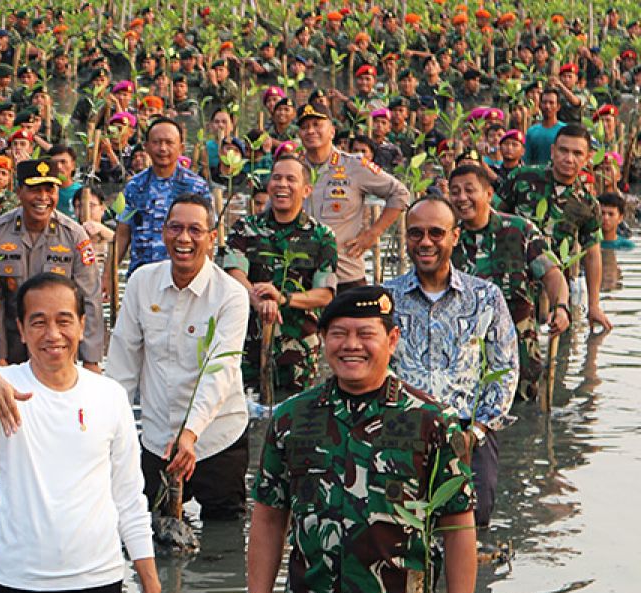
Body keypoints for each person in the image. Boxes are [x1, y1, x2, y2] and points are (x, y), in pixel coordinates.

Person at [246, 285, 478, 593]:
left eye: (365, 334)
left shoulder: (432, 422)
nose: (351, 345)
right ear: (322, 339)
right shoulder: (292, 419)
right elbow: (268, 521)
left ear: (392, 340)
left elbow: (459, 528)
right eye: (339, 333)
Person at [0, 273, 162, 593]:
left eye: (63, 320)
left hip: (95, 584)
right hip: (17, 583)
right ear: (20, 329)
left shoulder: (108, 397)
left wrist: (151, 590)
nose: (52, 334)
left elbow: (129, 499)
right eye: (38, 322)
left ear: (82, 325)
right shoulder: (5, 389)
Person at [105, 194, 250, 520]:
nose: (184, 239)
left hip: (216, 439)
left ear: (213, 238)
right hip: (157, 438)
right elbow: (123, 363)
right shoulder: (142, 282)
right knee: (148, 529)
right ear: (163, 233)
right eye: (176, 228)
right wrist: (111, 428)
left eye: (196, 230)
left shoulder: (231, 295)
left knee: (223, 535)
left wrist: (190, 433)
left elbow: (221, 370)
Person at [385, 197, 518, 530]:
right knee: (399, 528)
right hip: (400, 432)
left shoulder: (485, 296)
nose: (425, 242)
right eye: (416, 234)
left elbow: (505, 370)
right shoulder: (385, 298)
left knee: (472, 521)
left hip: (468, 430)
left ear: (455, 236)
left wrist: (476, 431)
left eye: (436, 233)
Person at [448, 162, 570, 402]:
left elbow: (552, 275)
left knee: (524, 417)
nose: (462, 198)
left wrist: (561, 307)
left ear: (489, 194)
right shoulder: (447, 237)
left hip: (518, 350)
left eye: (469, 190)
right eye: (455, 191)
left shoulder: (518, 230)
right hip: (464, 352)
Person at [222, 155, 337, 396]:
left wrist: (283, 299)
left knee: (294, 420)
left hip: (298, 348)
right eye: (276, 178)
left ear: (306, 190)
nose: (282, 184)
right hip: (247, 343)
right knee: (244, 416)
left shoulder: (321, 235)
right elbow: (234, 274)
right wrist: (259, 301)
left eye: (290, 179)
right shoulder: (246, 228)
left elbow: (325, 294)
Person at [0, 159, 104, 369]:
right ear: (19, 192)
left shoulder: (74, 236)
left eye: (49, 190)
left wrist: (91, 360)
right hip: (12, 346)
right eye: (35, 190)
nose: (43, 198)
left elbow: (89, 298)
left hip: (59, 347)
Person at [497, 124, 613, 331]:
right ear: (552, 151)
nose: (569, 159)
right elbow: (494, 217)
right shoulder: (522, 178)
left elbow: (592, 254)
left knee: (557, 352)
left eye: (577, 153)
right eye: (563, 150)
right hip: (512, 281)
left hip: (556, 289)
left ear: (587, 159)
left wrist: (594, 305)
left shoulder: (587, 203)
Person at [297, 102, 410, 292]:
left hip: (344, 275)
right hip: (302, 278)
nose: (310, 131)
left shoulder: (353, 165)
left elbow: (400, 194)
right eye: (305, 127)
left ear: (332, 131)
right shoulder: (293, 169)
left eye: (317, 124)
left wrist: (373, 233)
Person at [115, 118, 212, 274]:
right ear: (146, 147)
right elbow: (122, 233)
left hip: (182, 276)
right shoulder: (133, 186)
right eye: (156, 142)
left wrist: (207, 275)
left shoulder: (196, 187)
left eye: (169, 142)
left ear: (180, 148)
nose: (162, 148)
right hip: (141, 275)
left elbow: (205, 237)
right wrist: (108, 274)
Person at [523, 89, 565, 166]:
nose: (547, 106)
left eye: (551, 103)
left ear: (558, 106)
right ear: (540, 105)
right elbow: (527, 160)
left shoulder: (565, 131)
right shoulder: (531, 131)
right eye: (544, 102)